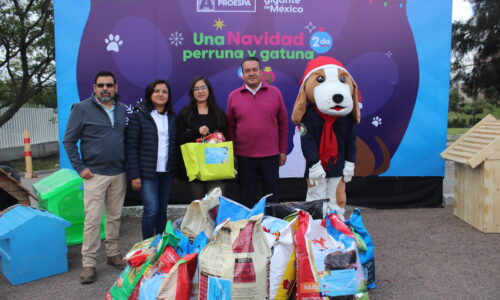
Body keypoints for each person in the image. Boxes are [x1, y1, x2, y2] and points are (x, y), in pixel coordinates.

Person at [63, 71, 127, 284]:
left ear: (116, 88)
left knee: (114, 216)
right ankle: (89, 264)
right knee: (92, 220)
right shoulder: (81, 109)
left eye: (109, 85)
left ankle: (113, 254)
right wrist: (80, 167)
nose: (105, 88)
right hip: (95, 175)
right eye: (101, 85)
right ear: (94, 87)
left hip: (118, 173)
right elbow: (69, 141)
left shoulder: (121, 109)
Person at [226, 57, 289, 207]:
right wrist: (232, 152)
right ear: (242, 74)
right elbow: (230, 127)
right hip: (244, 156)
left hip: (271, 155)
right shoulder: (233, 96)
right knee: (246, 198)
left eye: (255, 69)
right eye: (247, 70)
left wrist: (282, 150)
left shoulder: (275, 93)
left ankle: (273, 228)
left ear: (261, 72)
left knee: (272, 197)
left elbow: (283, 123)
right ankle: (248, 228)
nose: (251, 73)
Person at [126, 79, 176, 240]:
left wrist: (174, 170)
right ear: (150, 94)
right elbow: (131, 146)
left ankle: (160, 244)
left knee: (162, 210)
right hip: (147, 173)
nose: (161, 94)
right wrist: (134, 175)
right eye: (157, 91)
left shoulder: (172, 117)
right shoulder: (139, 115)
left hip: (166, 172)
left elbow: (174, 145)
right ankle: (148, 245)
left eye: (164, 91)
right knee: (151, 210)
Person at [177, 76, 228, 199]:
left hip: (216, 166)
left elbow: (227, 139)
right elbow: (179, 138)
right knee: (198, 204)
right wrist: (196, 132)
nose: (200, 91)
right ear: (192, 92)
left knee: (214, 204)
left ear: (209, 90)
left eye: (203, 87)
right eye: (196, 89)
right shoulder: (186, 113)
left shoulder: (218, 113)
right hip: (195, 168)